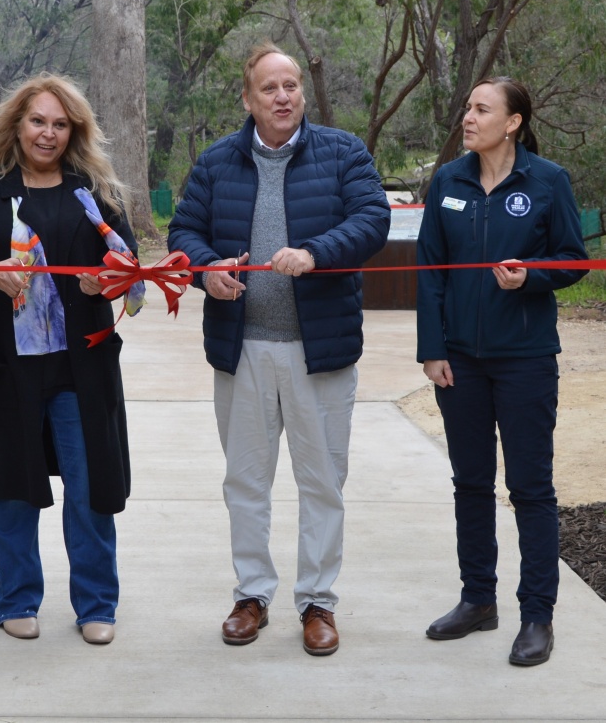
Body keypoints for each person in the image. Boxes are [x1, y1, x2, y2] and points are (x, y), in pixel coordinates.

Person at [168, 42, 390, 655]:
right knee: (245, 481)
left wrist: (317, 252)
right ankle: (251, 594)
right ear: (248, 99)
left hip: (320, 353)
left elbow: (372, 219)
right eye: (270, 87)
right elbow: (183, 231)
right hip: (242, 352)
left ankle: (318, 602)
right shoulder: (215, 163)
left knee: (323, 482)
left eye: (291, 85)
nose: (284, 96)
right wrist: (206, 269)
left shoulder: (344, 153)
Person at [0, 73, 140, 645]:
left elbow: (130, 262)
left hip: (82, 368)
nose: (47, 134)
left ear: (74, 131)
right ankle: (16, 599)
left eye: (60, 123)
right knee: (10, 485)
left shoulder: (94, 190)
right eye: (37, 121)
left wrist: (111, 283)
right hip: (5, 369)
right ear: (17, 125)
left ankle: (97, 604)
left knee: (90, 484)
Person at [417, 76, 587, 667]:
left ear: (513, 122)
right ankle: (477, 600)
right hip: (459, 361)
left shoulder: (548, 181)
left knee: (531, 489)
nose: (469, 116)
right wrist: (432, 349)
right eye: (467, 106)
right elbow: (431, 270)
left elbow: (573, 262)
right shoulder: (447, 181)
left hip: (525, 360)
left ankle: (537, 615)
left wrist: (531, 276)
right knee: (470, 484)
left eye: (482, 109)